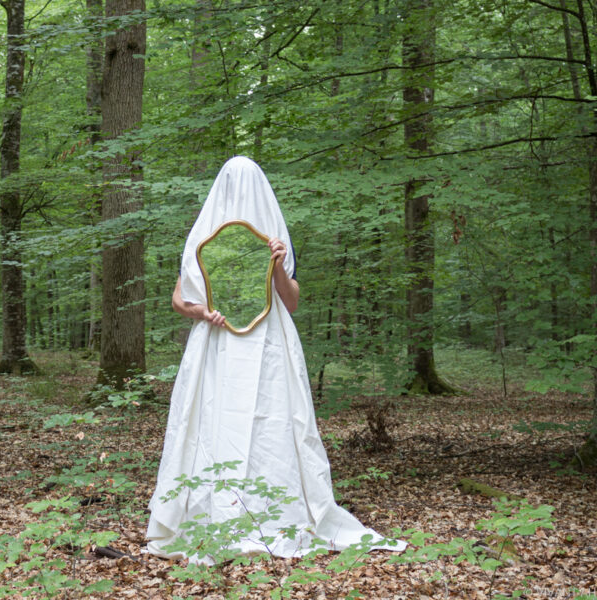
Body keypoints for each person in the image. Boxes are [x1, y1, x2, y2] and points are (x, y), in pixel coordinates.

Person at [146, 156, 405, 563]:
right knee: (209, 421)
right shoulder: (203, 237)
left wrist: (279, 263)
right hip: (215, 347)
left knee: (274, 424)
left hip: (269, 347)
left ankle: (275, 517)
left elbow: (292, 301)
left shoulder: (274, 238)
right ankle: (209, 516)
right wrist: (200, 313)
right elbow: (179, 297)